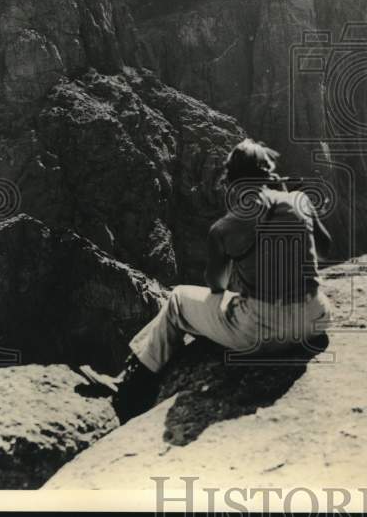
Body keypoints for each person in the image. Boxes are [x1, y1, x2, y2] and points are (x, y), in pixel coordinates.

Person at [81, 139, 332, 422]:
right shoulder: (300, 202)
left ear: (233, 182)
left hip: (263, 332)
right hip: (315, 318)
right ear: (269, 175)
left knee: (177, 300)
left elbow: (217, 285)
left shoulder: (224, 227)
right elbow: (325, 249)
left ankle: (128, 386)